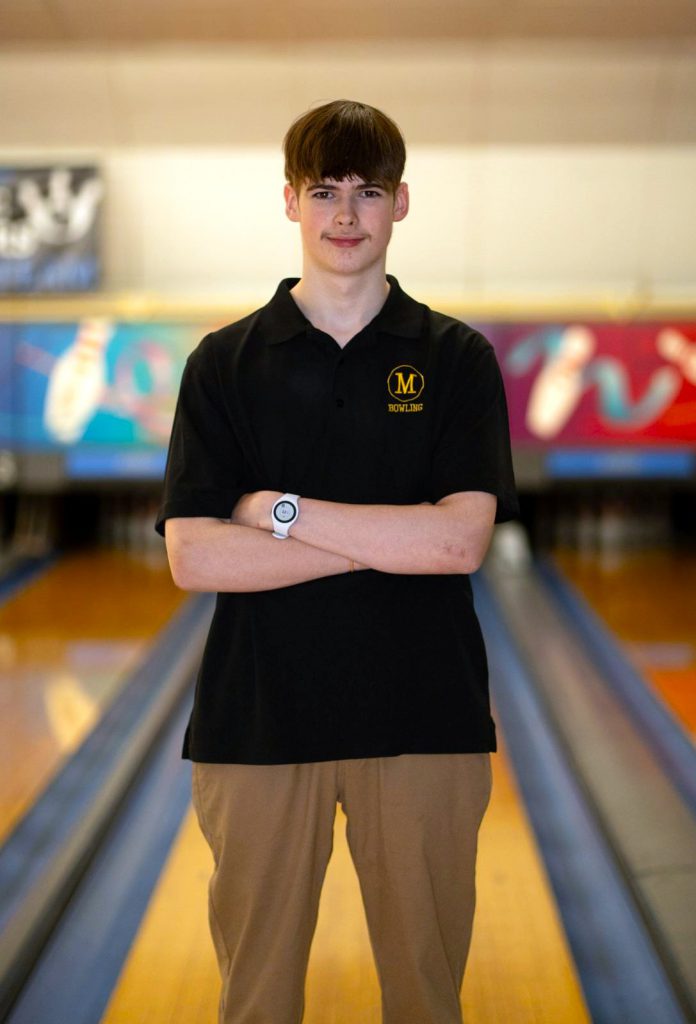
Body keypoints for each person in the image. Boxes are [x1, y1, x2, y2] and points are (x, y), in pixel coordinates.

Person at [155, 98, 519, 1024]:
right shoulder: (223, 364)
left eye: (368, 191)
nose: (346, 214)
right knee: (257, 1004)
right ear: (290, 202)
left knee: (427, 1002)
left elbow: (457, 544)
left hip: (426, 722)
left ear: (402, 203)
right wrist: (387, 542)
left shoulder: (459, 360)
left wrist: (277, 513)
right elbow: (195, 557)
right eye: (324, 190)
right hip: (257, 726)